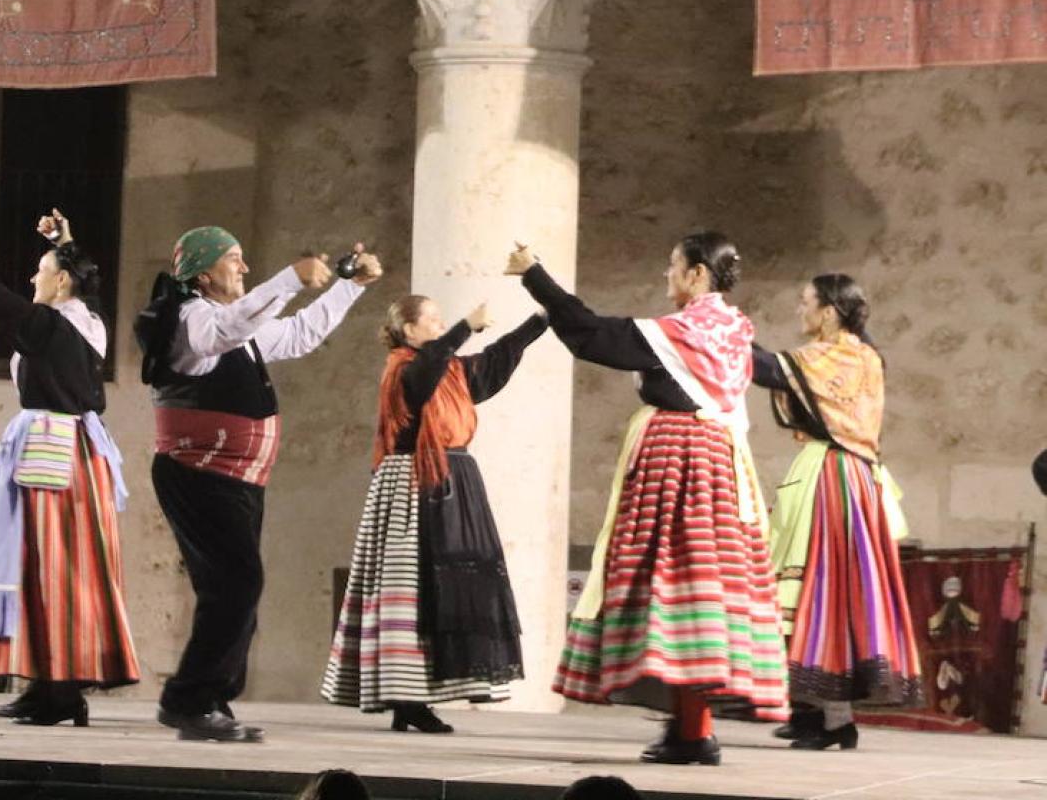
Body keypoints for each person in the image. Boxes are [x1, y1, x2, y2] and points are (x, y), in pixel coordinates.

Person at [509, 233, 785, 766]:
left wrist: (534, 275)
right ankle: (690, 728)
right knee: (701, 588)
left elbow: (593, 336)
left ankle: (692, 731)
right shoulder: (733, 331)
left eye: (673, 266)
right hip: (723, 466)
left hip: (679, 463)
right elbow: (773, 373)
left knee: (669, 582)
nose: (667, 275)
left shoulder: (686, 332)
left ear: (698, 274)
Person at [138, 226, 381, 742]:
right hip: (198, 473)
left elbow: (299, 334)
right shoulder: (189, 318)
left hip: (235, 479)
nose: (244, 269)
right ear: (203, 274)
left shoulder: (237, 326)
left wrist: (348, 286)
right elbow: (219, 333)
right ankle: (187, 699)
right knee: (237, 583)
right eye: (234, 259)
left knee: (235, 589)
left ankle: (210, 698)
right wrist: (289, 278)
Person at [0, 201, 138, 727]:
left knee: (49, 567)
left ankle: (59, 689)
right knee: (56, 568)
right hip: (81, 455)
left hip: (52, 456)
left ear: (61, 283)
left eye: (40, 272)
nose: (29, 278)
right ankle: (50, 684)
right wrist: (66, 240)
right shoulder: (89, 321)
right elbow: (93, 283)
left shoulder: (48, 327)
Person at [322, 294, 547, 733]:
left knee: (447, 591)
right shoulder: (404, 368)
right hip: (412, 482)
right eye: (433, 319)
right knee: (412, 590)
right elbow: (426, 375)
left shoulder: (451, 371)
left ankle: (419, 699)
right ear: (409, 331)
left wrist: (539, 321)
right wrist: (465, 325)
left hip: (452, 479)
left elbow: (494, 363)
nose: (441, 326)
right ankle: (406, 699)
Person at [751, 274, 919, 750]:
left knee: (825, 591)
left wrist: (721, 332)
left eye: (806, 303)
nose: (800, 311)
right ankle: (810, 712)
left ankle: (835, 720)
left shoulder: (841, 356)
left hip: (836, 479)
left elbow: (770, 369)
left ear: (829, 311)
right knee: (807, 595)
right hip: (842, 474)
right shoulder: (860, 352)